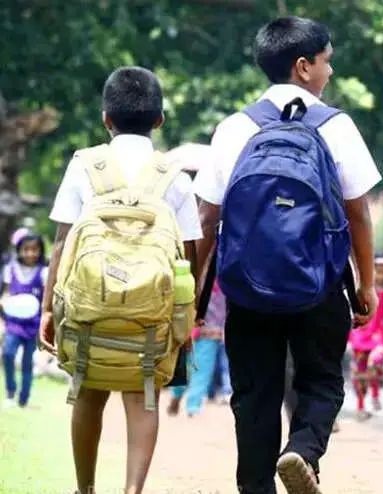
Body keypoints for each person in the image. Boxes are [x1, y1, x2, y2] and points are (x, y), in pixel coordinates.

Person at [194, 17, 381, 494]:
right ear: (303, 67)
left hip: (248, 288)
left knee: (254, 395)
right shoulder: (336, 125)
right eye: (326, 62)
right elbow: (358, 213)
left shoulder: (234, 127)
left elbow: (206, 220)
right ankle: (303, 447)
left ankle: (255, 487)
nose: (330, 72)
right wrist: (366, 284)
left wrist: (193, 292)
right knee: (322, 382)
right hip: (318, 285)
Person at [40, 67, 202, 494]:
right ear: (159, 120)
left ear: (105, 118)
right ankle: (133, 491)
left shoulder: (84, 166)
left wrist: (47, 309)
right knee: (143, 391)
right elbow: (189, 257)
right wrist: (190, 317)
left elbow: (61, 244)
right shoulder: (175, 176)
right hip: (152, 317)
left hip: (89, 309)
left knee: (89, 392)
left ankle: (86, 488)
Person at [349, 254, 383, 420]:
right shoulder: (360, 285)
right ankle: (360, 406)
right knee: (360, 369)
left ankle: (375, 392)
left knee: (376, 361)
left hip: (380, 334)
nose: (382, 275)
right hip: (360, 334)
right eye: (379, 271)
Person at [1, 229, 47, 409]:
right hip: (13, 322)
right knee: (8, 354)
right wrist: (4, 303)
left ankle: (23, 399)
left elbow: (46, 300)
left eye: (34, 249)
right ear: (19, 250)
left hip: (33, 325)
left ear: (40, 251)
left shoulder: (44, 272)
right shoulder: (10, 269)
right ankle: (10, 392)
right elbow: (5, 292)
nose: (30, 253)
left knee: (28, 363)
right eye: (26, 249)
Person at [167, 281, 227, 417]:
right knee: (188, 369)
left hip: (208, 333)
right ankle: (180, 397)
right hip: (192, 330)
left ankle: (193, 406)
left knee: (201, 371)